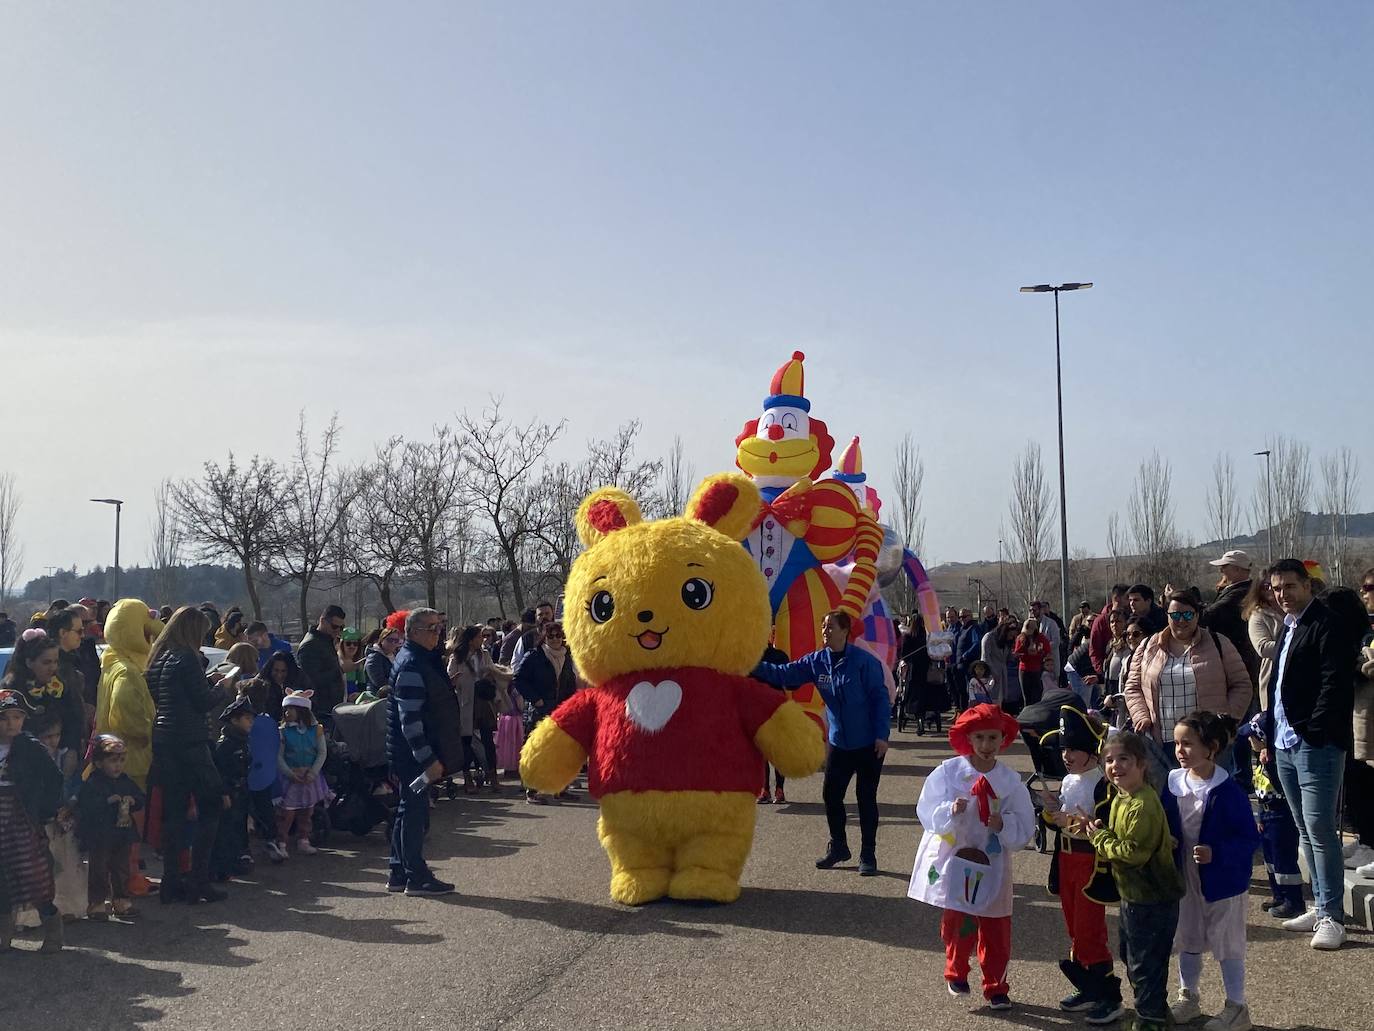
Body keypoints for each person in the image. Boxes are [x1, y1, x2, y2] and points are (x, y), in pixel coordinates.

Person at [908, 703, 1034, 1011]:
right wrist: (949, 811)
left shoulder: (1009, 780)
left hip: (993, 862)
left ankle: (996, 985)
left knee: (996, 924)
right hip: (957, 858)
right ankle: (956, 970)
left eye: (993, 738)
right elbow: (927, 810)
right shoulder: (949, 773)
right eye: (980, 738)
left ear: (1002, 739)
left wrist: (1003, 825)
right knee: (959, 919)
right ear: (969, 738)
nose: (987, 746)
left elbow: (1025, 819)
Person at [1262, 558, 1359, 950]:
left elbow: (1334, 684)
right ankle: (1319, 905)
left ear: (1307, 585)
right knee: (1304, 828)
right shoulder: (1288, 627)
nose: (1283, 594)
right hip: (1284, 742)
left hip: (1314, 743)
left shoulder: (1327, 624)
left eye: (1289, 586)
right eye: (1277, 588)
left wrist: (1315, 731)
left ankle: (1333, 916)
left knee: (1320, 830)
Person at [753, 610, 891, 876]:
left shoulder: (864, 662)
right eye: (823, 626)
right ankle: (839, 846)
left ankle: (868, 854)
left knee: (865, 798)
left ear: (845, 631)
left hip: (869, 743)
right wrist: (749, 664)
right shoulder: (817, 661)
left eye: (830, 627)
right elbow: (784, 674)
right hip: (840, 742)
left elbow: (880, 699)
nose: (825, 631)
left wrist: (882, 735)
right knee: (831, 795)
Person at [1167, 711, 1261, 1031]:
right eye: (1177, 743)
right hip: (1186, 878)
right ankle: (1189, 997)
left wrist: (1216, 853)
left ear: (1212, 747)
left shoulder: (1227, 790)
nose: (1180, 750)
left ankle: (1237, 1007)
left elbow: (1249, 838)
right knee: (1188, 936)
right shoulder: (1173, 782)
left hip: (1224, 881)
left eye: (1189, 744)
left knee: (1227, 942)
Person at [1087, 732, 1185, 1031]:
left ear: (1142, 764)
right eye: (1109, 760)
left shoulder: (1142, 803)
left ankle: (1150, 1019)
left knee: (1144, 964)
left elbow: (1133, 853)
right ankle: (1155, 1010)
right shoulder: (1122, 798)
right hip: (1134, 895)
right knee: (1134, 958)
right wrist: (1104, 830)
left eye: (1124, 759)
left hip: (1153, 897)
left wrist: (1100, 839)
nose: (1115, 766)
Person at [1036, 704, 1122, 1025]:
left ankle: (1108, 995)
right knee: (1074, 926)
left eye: (1073, 749)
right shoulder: (1071, 781)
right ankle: (1087, 986)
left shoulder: (1101, 783)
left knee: (1089, 928)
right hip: (1067, 859)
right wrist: (1050, 812)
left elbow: (1099, 826)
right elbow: (1058, 819)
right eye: (1063, 749)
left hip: (1089, 861)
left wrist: (1066, 820)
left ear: (1091, 751)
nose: (1066, 755)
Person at [1123, 591, 1252, 777]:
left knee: (1208, 801)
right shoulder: (1147, 647)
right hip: (1163, 742)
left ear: (1197, 615)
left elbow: (1242, 684)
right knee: (1168, 802)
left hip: (1208, 743)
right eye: (1175, 615)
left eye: (1188, 614)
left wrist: (1225, 721)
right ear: (1167, 616)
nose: (1181, 620)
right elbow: (1133, 687)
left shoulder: (1219, 643)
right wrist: (1141, 716)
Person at [146, 606, 225, 905]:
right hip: (190, 740)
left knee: (174, 812)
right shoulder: (187, 658)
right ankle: (198, 880)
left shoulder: (158, 658)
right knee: (212, 803)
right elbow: (203, 702)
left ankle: (171, 881)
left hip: (164, 740)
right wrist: (222, 687)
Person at [386, 608, 458, 895]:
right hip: (413, 754)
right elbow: (410, 720)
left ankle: (399, 870)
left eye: (439, 627)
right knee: (414, 813)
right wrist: (427, 759)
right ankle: (416, 875)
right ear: (413, 632)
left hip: (411, 752)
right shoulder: (412, 664)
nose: (437, 633)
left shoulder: (419, 660)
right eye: (431, 628)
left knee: (408, 809)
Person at [95, 599, 162, 895]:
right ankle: (129, 878)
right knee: (131, 823)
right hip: (132, 758)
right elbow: (124, 708)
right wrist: (149, 731)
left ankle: (122, 878)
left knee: (120, 825)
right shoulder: (127, 671)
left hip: (115, 754)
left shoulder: (111, 662)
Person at [0, 689, 65, 952]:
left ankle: (52, 925)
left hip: (21, 819)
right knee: (1, 877)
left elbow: (54, 778)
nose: (12, 723)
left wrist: (45, 810)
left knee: (32, 874)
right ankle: (4, 932)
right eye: (5, 717)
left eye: (18, 717)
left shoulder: (30, 747)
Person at [77, 734, 145, 920]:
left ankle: (121, 900)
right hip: (101, 834)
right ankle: (97, 902)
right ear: (99, 763)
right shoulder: (93, 782)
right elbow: (86, 805)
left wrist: (134, 801)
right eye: (113, 761)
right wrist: (106, 801)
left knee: (121, 868)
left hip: (122, 832)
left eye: (121, 760)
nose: (118, 765)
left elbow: (140, 798)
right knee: (99, 869)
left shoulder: (125, 781)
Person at [2, 629, 84, 780]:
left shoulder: (59, 686)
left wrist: (72, 750)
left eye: (55, 662)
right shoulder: (13, 690)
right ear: (29, 662)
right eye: (46, 662)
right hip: (23, 764)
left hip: (60, 758)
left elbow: (75, 719)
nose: (53, 668)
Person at [513, 621, 578, 803]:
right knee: (537, 750)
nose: (556, 639)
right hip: (539, 710)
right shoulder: (534, 656)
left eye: (559, 635)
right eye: (551, 636)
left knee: (562, 751)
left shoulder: (567, 656)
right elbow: (519, 679)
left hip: (561, 710)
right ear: (544, 637)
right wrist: (536, 699)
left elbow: (569, 682)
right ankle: (531, 791)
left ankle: (560, 788)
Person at [274, 690, 331, 857]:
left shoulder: (316, 730)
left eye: (291, 709)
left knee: (307, 811)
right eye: (286, 709)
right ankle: (282, 842)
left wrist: (313, 772)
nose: (287, 712)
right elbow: (279, 755)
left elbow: (322, 752)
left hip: (309, 777)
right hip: (291, 777)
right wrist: (289, 773)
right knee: (287, 813)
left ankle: (303, 840)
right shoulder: (283, 732)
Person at [1345, 568, 1374, 879]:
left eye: (1371, 587)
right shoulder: (1367, 627)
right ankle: (1367, 840)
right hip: (1364, 715)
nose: (1365, 592)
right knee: (1362, 781)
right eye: (1363, 587)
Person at [211, 697, 255, 880]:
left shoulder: (242, 741)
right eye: (246, 719)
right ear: (234, 720)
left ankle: (236, 860)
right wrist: (223, 793)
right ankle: (221, 868)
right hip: (229, 792)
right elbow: (218, 772)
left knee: (238, 828)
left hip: (241, 792)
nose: (250, 723)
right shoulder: (225, 745)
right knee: (225, 830)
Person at [295, 605, 347, 720]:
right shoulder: (310, 645)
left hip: (331, 707)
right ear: (323, 621)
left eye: (341, 627)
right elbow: (312, 680)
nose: (338, 631)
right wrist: (341, 670)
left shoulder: (326, 641)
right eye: (334, 626)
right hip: (320, 711)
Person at [1089, 586, 1132, 677]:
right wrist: (1102, 673)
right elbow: (1094, 650)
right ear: (1117, 599)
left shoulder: (1131, 617)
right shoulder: (1100, 621)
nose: (1130, 602)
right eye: (1127, 598)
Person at [1013, 618, 1050, 707]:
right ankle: (1028, 715)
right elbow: (1016, 653)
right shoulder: (1021, 638)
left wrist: (1038, 654)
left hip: (1036, 669)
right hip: (1024, 669)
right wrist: (1025, 652)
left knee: (1037, 695)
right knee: (1027, 696)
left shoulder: (1041, 638)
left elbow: (1047, 650)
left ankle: (1037, 715)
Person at [511, 599, 557, 672]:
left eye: (547, 613)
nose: (544, 617)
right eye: (540, 614)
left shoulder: (562, 636)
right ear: (536, 617)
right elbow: (515, 664)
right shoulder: (526, 639)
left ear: (553, 614)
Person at [364, 625, 403, 696]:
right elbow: (379, 681)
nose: (393, 643)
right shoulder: (374, 657)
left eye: (396, 641)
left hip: (393, 695)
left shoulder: (396, 656)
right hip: (376, 697)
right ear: (382, 640)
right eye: (390, 640)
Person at [338, 628, 367, 703]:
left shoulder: (358, 662)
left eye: (355, 644)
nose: (352, 646)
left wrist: (358, 694)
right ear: (342, 645)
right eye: (348, 643)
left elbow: (362, 685)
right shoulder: (335, 660)